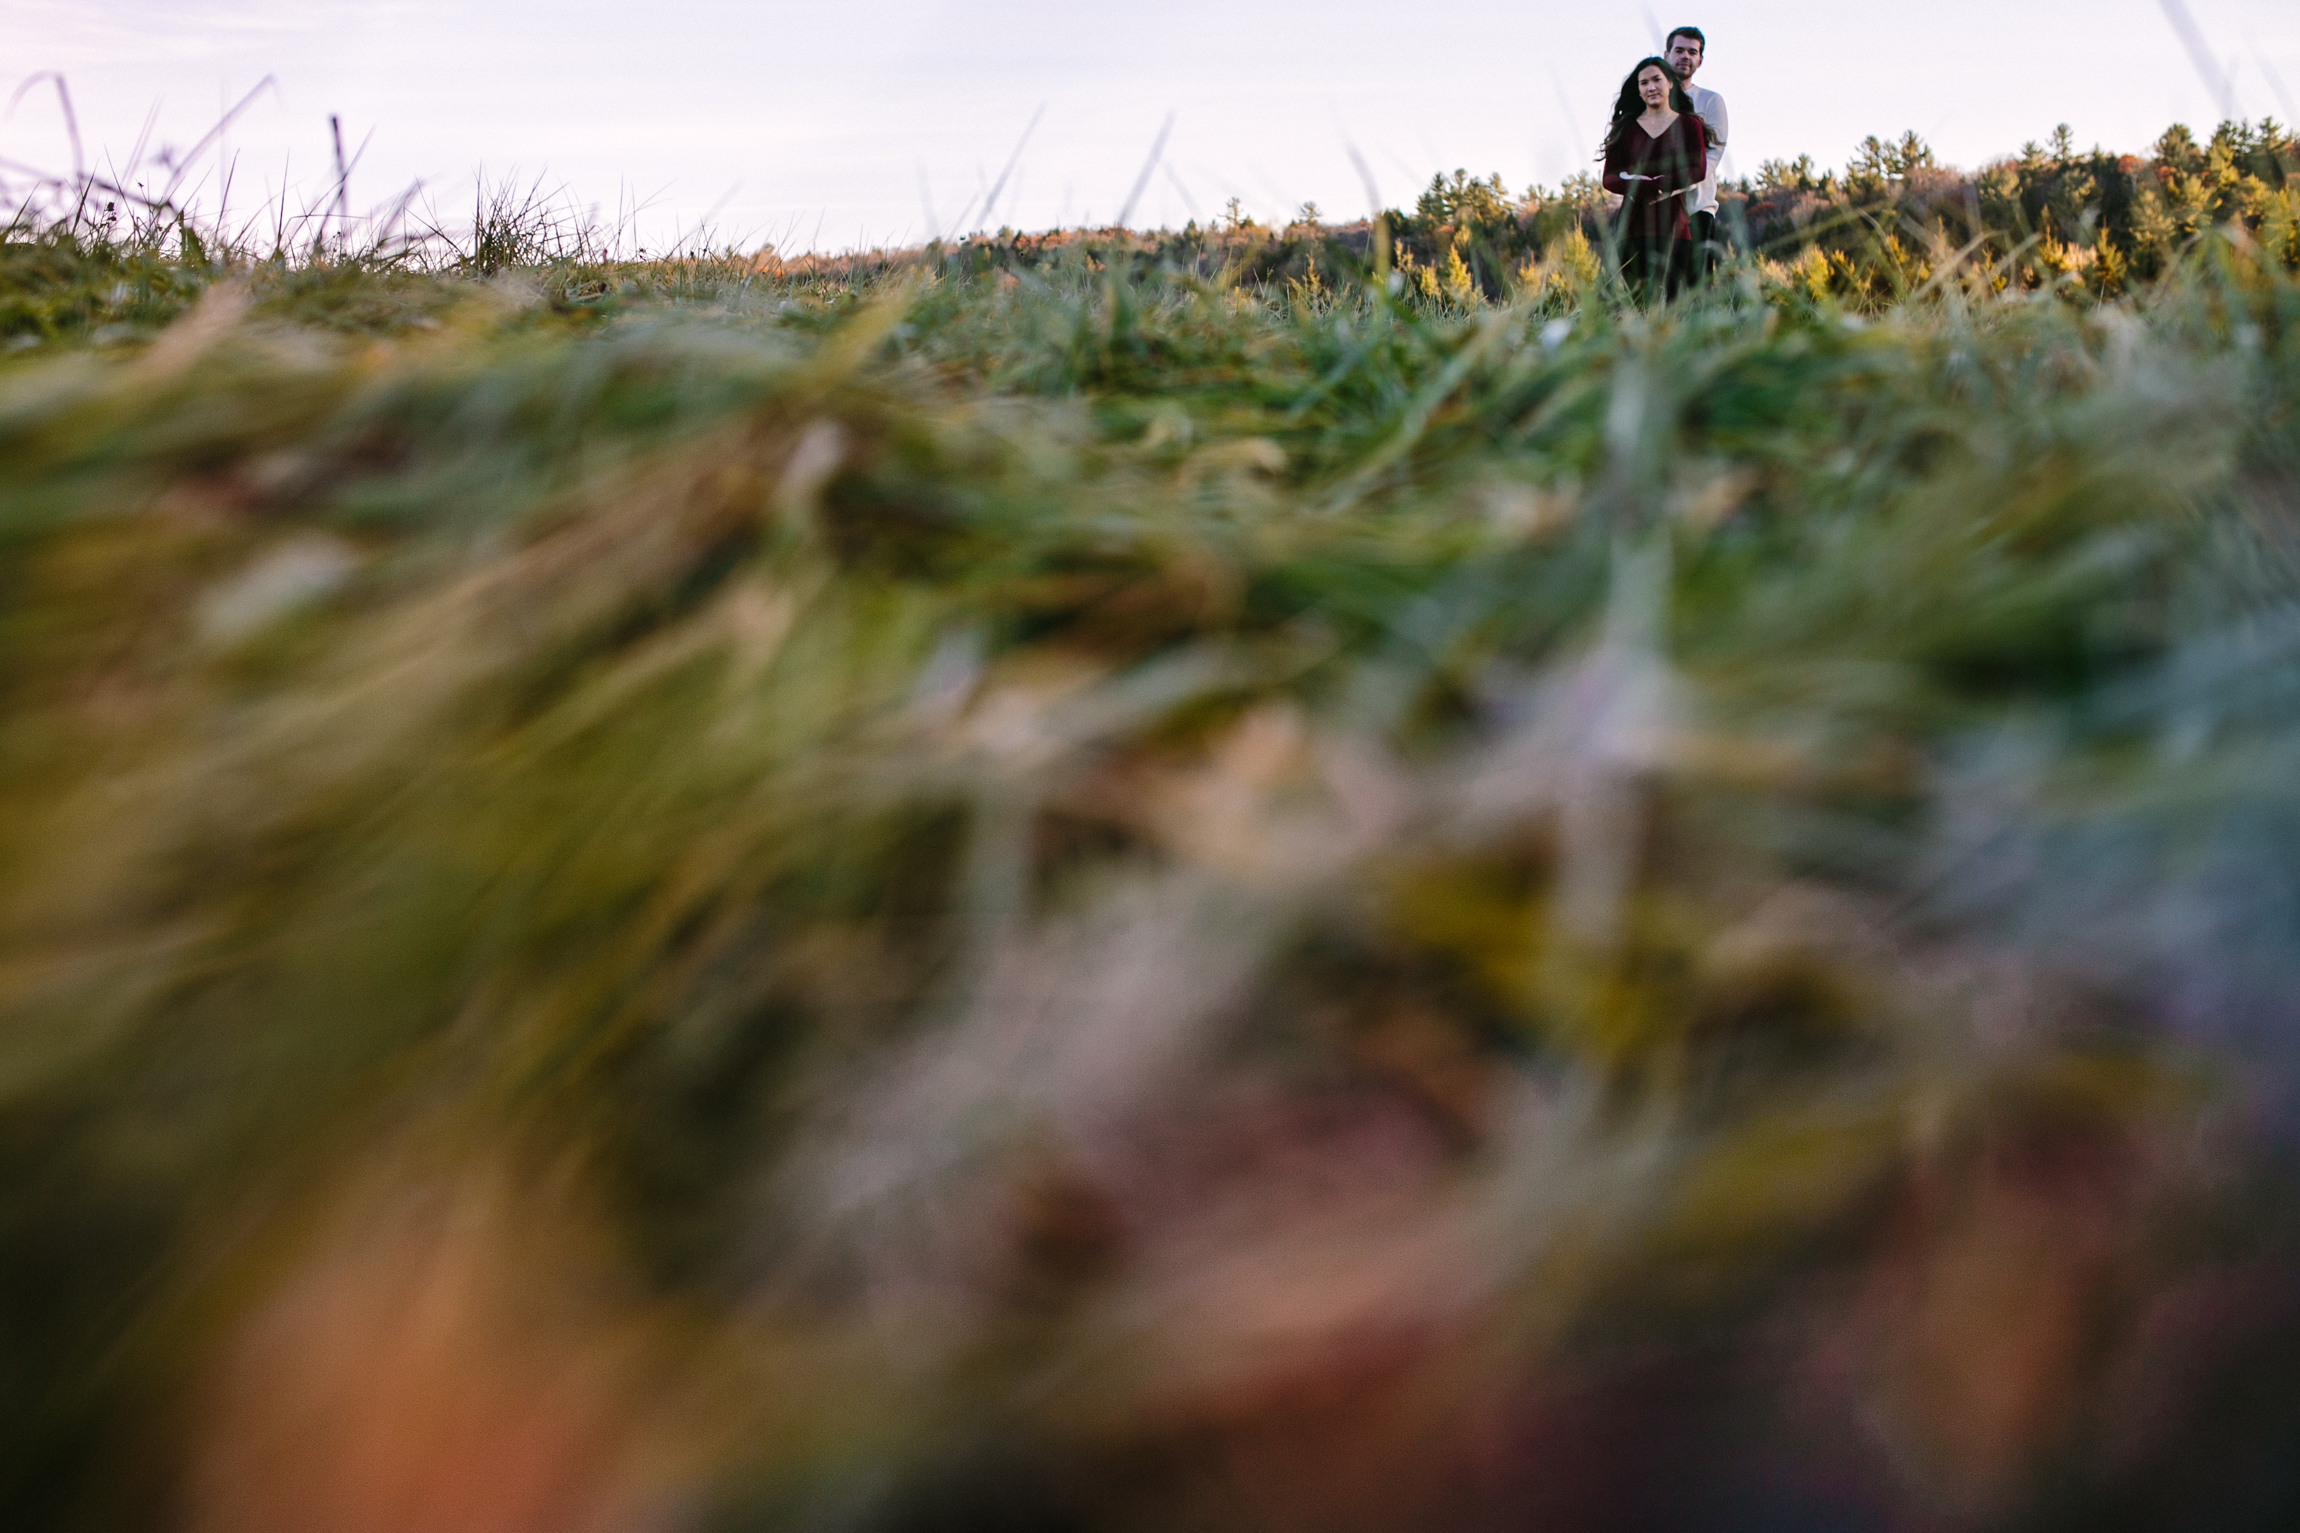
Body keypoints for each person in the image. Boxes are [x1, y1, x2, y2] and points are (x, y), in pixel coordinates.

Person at [1599, 57, 1709, 303]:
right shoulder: (1625, 128)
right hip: (1632, 226)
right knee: (1637, 303)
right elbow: (1609, 178)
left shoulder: (1689, 125)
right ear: (1638, 90)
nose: (1651, 87)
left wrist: (1661, 183)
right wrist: (1642, 185)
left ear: (1670, 83)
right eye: (1644, 83)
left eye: (1656, 80)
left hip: (1674, 226)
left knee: (1675, 303)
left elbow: (1698, 169)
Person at [1664, 26, 1729, 277]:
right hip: (1657, 211)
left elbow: (1713, 154)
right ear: (1666, 54)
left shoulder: (1711, 101)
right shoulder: (1650, 99)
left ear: (1700, 60)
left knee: (1697, 288)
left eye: (1693, 52)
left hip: (1697, 208)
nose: (1686, 57)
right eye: (1679, 50)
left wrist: (1676, 184)